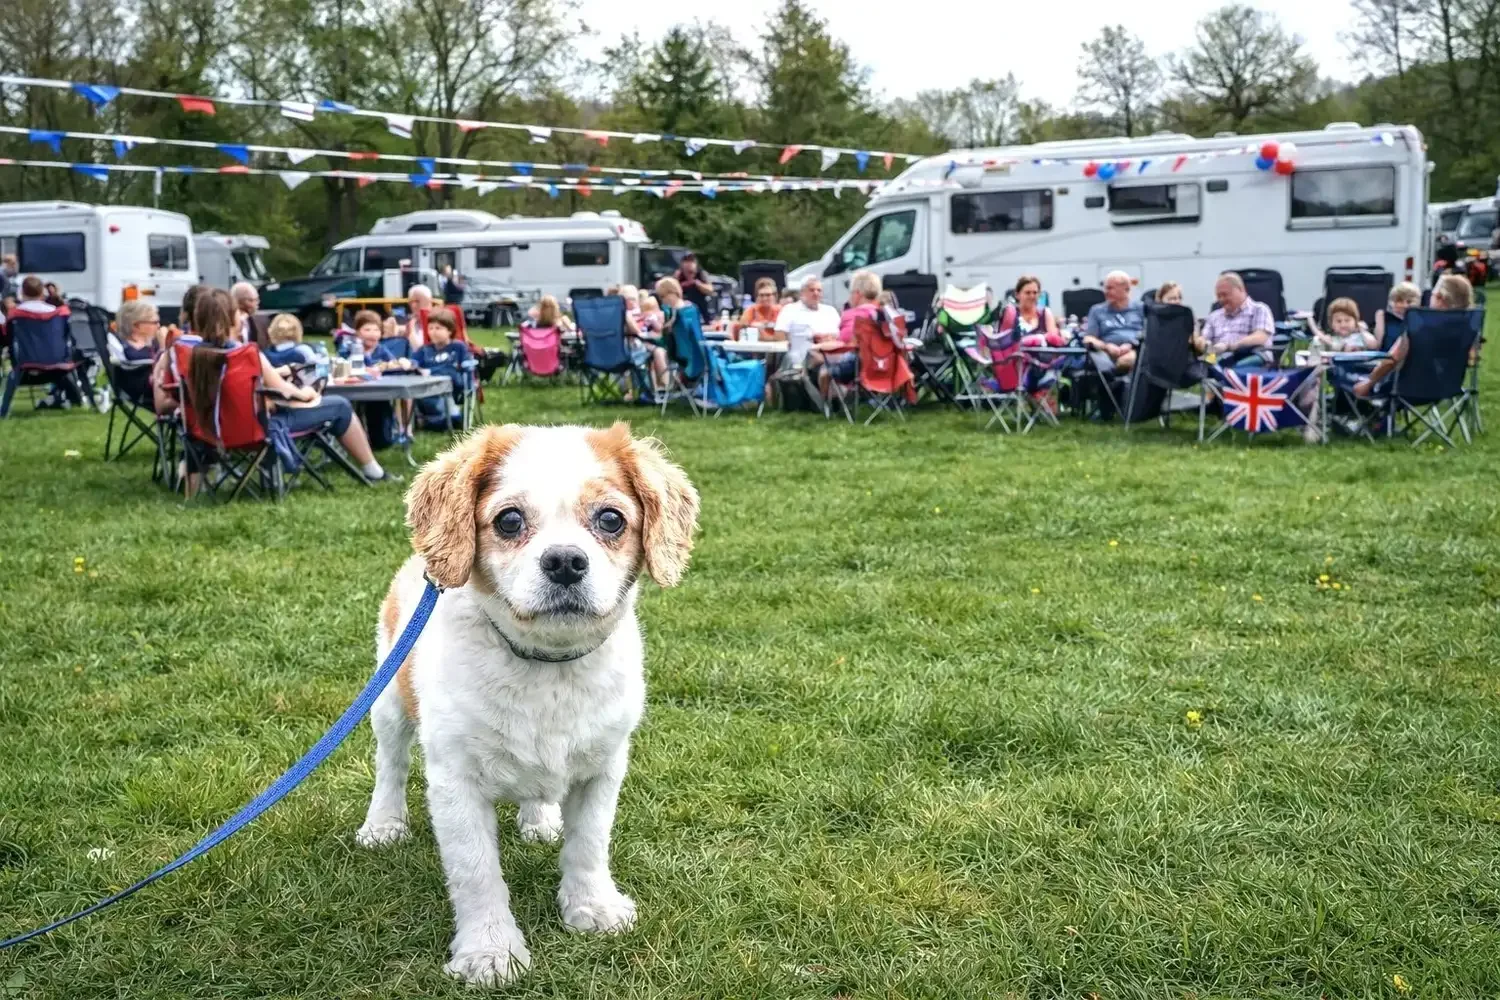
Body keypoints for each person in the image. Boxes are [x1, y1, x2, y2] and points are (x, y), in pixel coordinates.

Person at [183, 288, 392, 486]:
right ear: (231, 317)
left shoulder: (195, 355)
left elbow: (232, 388)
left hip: (213, 433)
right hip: (257, 431)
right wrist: (308, 393)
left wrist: (277, 372)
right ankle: (374, 471)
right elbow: (286, 392)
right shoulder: (246, 354)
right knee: (340, 406)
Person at [1355, 273, 1473, 398]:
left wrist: (1369, 383)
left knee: (1347, 373)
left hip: (1403, 389)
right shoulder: (1465, 328)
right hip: (1445, 387)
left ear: (1439, 298)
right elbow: (1472, 359)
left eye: (1432, 294)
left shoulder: (1419, 326)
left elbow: (1391, 360)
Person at [9, 276, 82, 409]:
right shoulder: (60, 314)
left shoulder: (15, 315)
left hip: (25, 366)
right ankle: (76, 401)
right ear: (43, 292)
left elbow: (8, 339)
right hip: (59, 366)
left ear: (22, 293)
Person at [820, 270, 881, 399]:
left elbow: (843, 344)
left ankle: (827, 408)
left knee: (822, 367)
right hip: (886, 366)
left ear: (858, 294)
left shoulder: (852, 315)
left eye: (851, 293)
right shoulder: (885, 313)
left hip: (860, 367)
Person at [1196, 272, 1275, 368]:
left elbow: (1260, 337)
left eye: (1225, 294)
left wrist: (1229, 346)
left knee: (1235, 369)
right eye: (1218, 296)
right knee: (1203, 366)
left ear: (1241, 289)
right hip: (1219, 359)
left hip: (1252, 356)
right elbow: (1204, 339)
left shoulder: (1259, 309)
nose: (1221, 299)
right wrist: (1202, 343)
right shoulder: (1214, 316)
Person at [412, 308, 470, 426]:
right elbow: (414, 364)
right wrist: (409, 364)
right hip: (427, 390)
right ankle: (433, 420)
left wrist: (430, 371)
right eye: (430, 328)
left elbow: (465, 368)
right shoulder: (425, 350)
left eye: (438, 328)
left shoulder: (458, 347)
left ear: (449, 330)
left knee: (451, 371)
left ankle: (427, 421)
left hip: (450, 390)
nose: (433, 332)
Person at [1082, 271, 1145, 373]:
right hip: (1106, 354)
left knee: (1128, 361)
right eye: (1105, 287)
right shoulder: (1097, 310)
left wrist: (1131, 345)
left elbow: (1150, 334)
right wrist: (1106, 346)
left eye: (1110, 288)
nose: (1105, 291)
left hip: (1135, 351)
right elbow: (1089, 338)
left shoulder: (1141, 309)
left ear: (1126, 289)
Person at [774, 276, 840, 368]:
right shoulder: (790, 310)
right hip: (803, 357)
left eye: (819, 290)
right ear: (802, 293)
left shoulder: (830, 311)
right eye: (811, 290)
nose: (816, 293)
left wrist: (828, 337)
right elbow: (779, 334)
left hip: (831, 353)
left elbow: (840, 335)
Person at [1307, 298, 1375, 353]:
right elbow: (1325, 340)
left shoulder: (1361, 337)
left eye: (1347, 320)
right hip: (1339, 367)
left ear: (1356, 322)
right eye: (1338, 321)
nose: (1343, 324)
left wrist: (1363, 331)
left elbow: (1373, 345)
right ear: (1332, 325)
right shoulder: (1334, 339)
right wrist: (1312, 324)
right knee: (1317, 340)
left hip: (1361, 367)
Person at [1373, 281, 1422, 348]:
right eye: (1400, 300)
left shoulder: (1420, 318)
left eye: (1409, 301)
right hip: (1387, 356)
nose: (1405, 305)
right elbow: (1378, 345)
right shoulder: (1382, 315)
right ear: (1392, 301)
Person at [674, 253, 715, 318]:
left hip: (700, 304)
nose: (689, 274)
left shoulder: (701, 274)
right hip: (683, 305)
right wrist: (683, 285)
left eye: (691, 272)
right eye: (686, 271)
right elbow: (672, 290)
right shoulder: (678, 275)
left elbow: (710, 290)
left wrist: (697, 283)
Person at [231, 281, 269, 347]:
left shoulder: (261, 322)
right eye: (252, 300)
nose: (257, 303)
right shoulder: (226, 321)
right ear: (238, 301)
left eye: (257, 299)